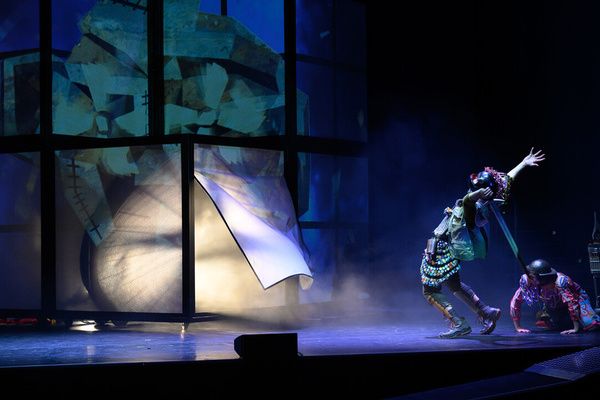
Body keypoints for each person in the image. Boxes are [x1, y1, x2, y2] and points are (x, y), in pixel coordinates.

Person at [421, 148, 545, 339]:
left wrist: (478, 192)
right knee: (454, 285)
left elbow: (468, 201)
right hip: (442, 248)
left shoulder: (477, 207)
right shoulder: (484, 201)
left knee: (430, 289)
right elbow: (503, 182)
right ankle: (486, 312)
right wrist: (522, 164)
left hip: (442, 251)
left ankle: (460, 323)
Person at [510, 259, 600, 334]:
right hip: (553, 303)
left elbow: (572, 302)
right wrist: (518, 327)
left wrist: (575, 328)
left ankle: (583, 319)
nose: (531, 278)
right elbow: (515, 301)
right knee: (554, 327)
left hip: (577, 299)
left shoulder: (560, 281)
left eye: (533, 277)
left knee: (592, 326)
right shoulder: (529, 282)